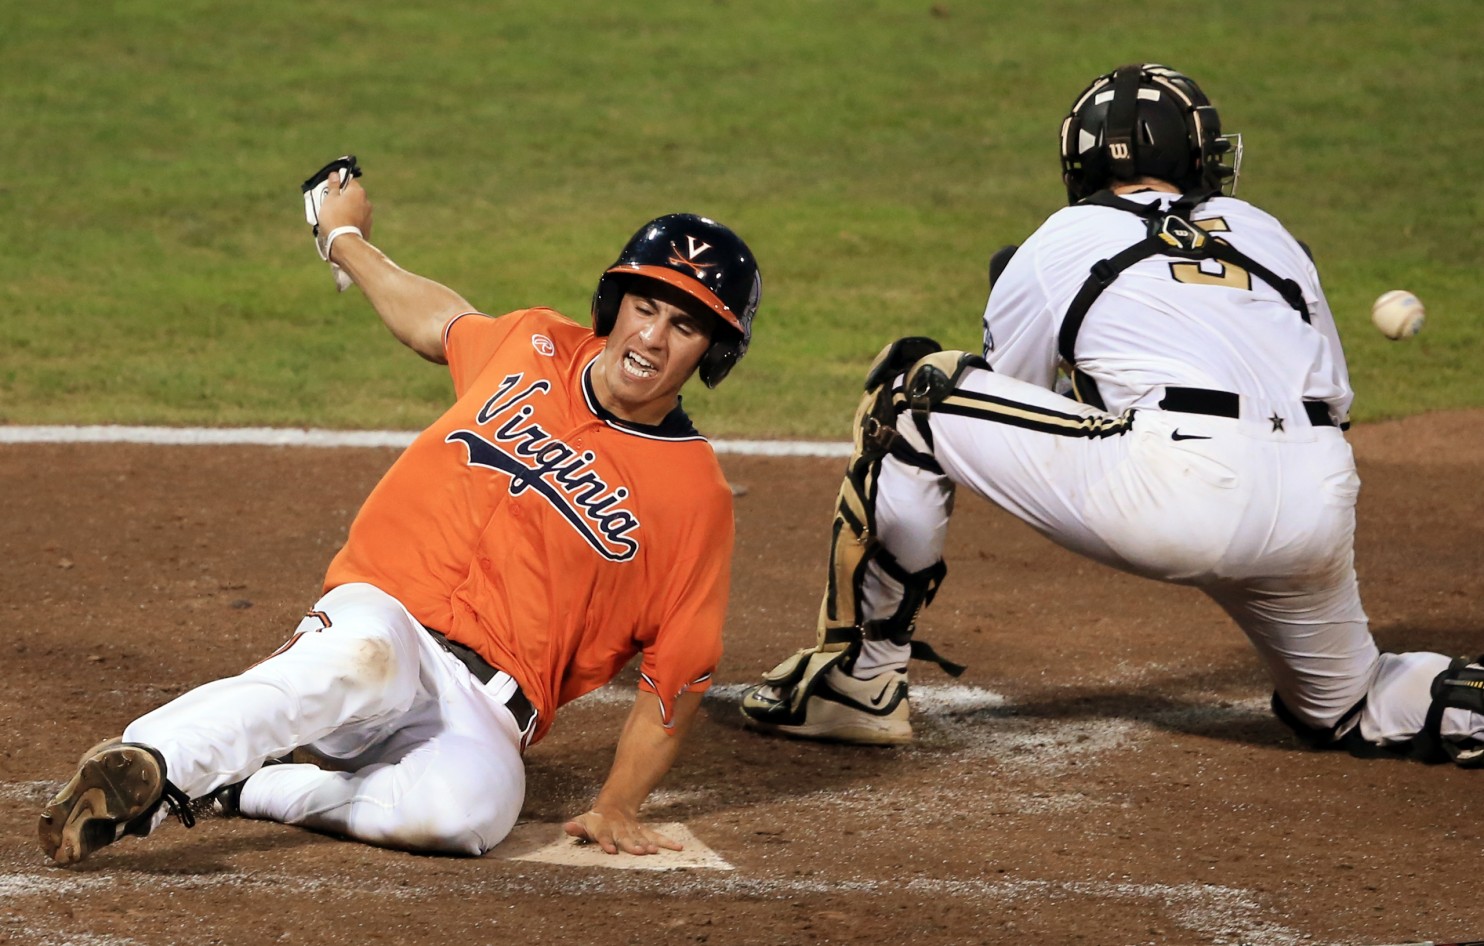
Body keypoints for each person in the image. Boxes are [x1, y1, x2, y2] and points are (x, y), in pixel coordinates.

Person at [739, 63, 1484, 766]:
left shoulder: (1058, 239)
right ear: (1196, 156)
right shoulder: (1268, 231)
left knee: (916, 392)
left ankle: (859, 680)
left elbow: (1014, 393)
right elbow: (1336, 398)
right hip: (1317, 502)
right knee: (1348, 700)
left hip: (1172, 489)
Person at [38, 168, 763, 864]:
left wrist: (619, 804)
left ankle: (252, 787)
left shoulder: (692, 496)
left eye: (685, 325)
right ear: (615, 304)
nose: (653, 339)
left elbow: (678, 678)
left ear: (712, 351)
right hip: (386, 619)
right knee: (362, 659)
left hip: (485, 709)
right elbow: (436, 321)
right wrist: (343, 239)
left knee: (464, 816)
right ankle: (152, 764)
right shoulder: (534, 343)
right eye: (645, 307)